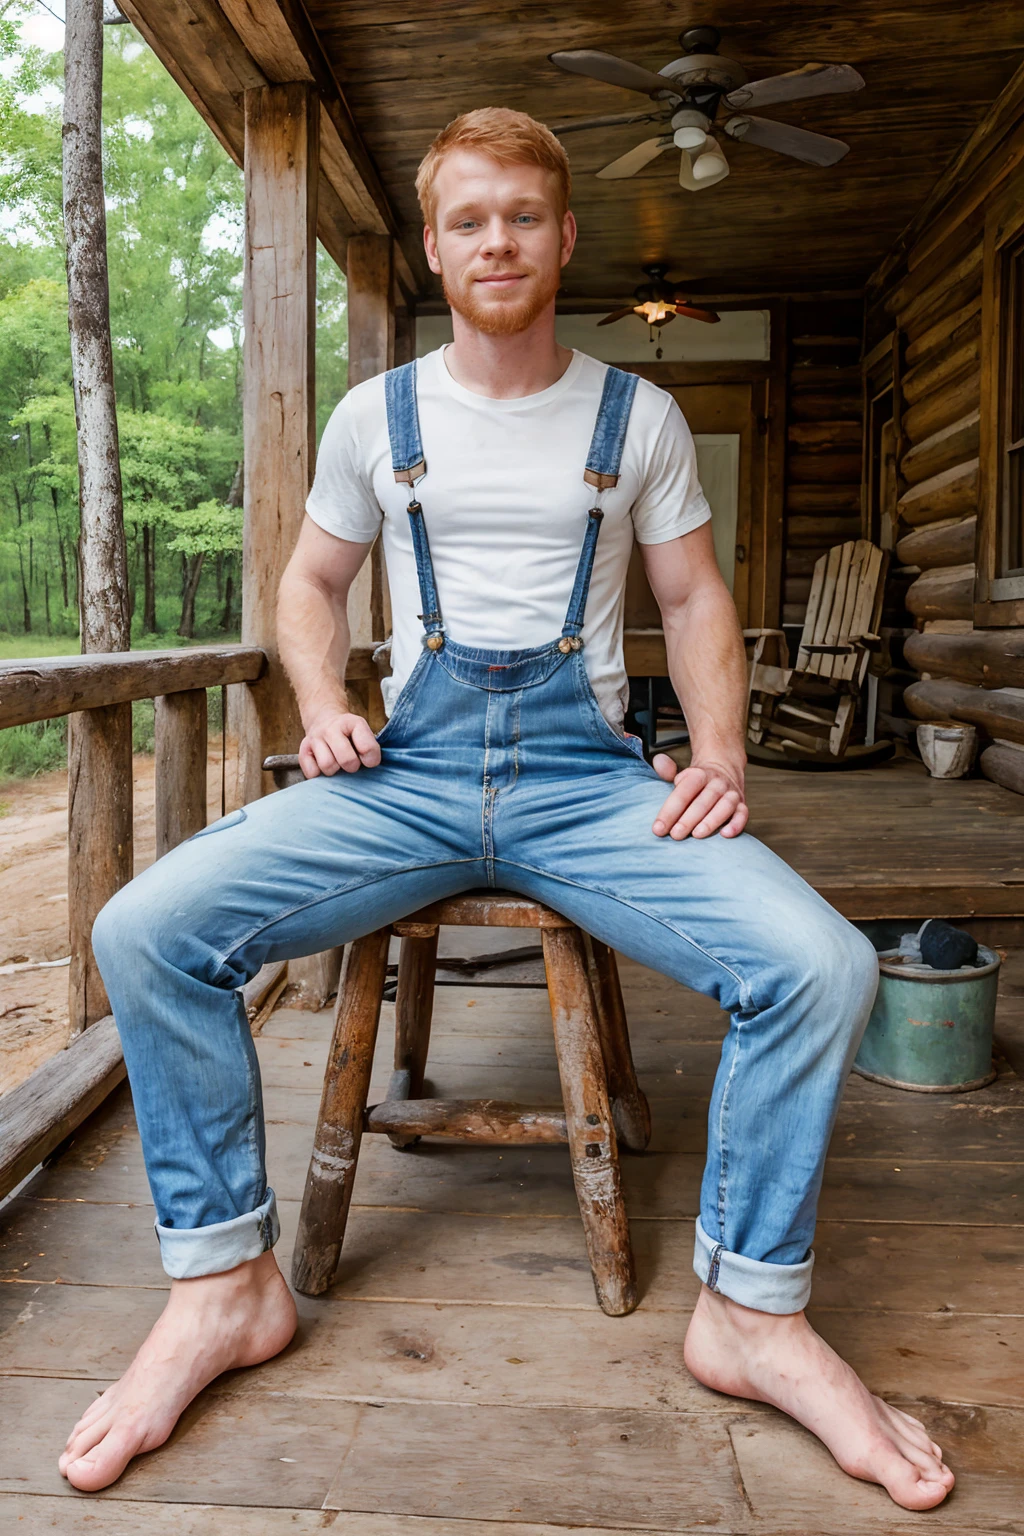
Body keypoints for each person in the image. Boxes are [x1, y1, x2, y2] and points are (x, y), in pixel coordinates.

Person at [58, 107, 954, 1510]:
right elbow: (307, 587)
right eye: (468, 218)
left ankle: (751, 1311)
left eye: (521, 216)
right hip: (402, 784)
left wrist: (722, 754)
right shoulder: (380, 416)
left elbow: (695, 597)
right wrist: (320, 703)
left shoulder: (634, 416)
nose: (495, 241)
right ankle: (225, 1283)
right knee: (146, 928)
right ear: (433, 242)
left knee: (823, 965)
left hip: (586, 784)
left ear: (563, 236)